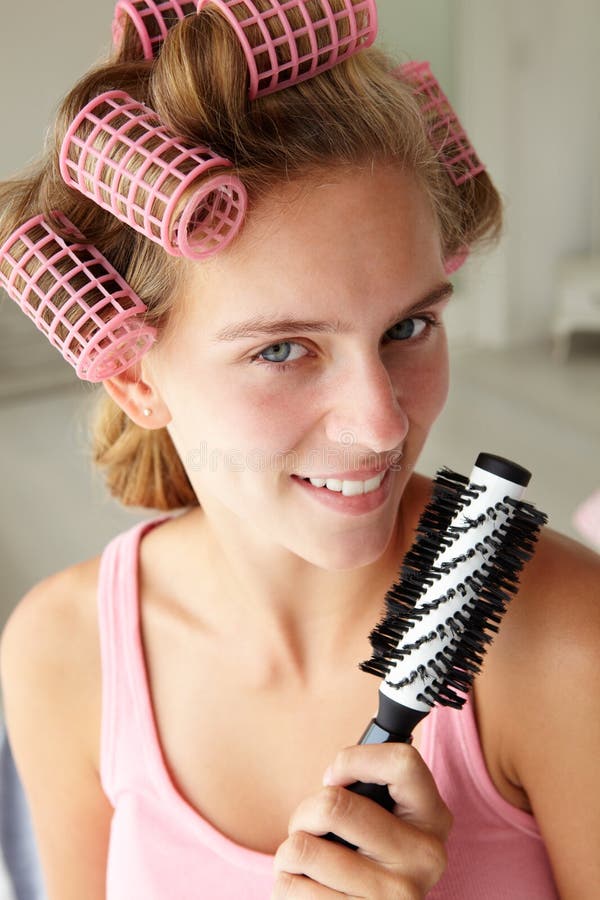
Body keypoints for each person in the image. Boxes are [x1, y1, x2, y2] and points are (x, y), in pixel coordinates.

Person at [0, 2, 598, 898]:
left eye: (409, 325)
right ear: (134, 378)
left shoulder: (565, 645)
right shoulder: (61, 651)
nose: (384, 423)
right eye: (282, 349)